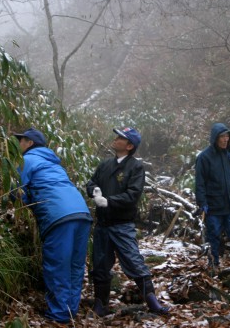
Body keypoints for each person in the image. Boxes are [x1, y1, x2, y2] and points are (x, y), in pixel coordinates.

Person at [86, 127, 169, 317]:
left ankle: (152, 301)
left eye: (120, 138)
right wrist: (95, 191)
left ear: (130, 146)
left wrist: (109, 201)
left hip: (122, 224)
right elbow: (91, 182)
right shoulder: (105, 165)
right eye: (116, 137)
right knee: (99, 264)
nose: (115, 140)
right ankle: (101, 304)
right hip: (102, 225)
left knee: (133, 260)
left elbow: (133, 195)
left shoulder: (135, 167)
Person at [13, 127, 93, 324]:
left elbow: (15, 192)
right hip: (82, 213)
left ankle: (58, 315)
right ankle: (70, 310)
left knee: (58, 265)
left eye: (21, 140)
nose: (18, 144)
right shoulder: (55, 164)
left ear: (29, 143)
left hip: (59, 216)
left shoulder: (27, 160)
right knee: (75, 265)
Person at [195, 122, 230, 271]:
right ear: (215, 138)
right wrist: (202, 203)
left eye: (227, 136)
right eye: (222, 137)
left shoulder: (229, 155)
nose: (225, 140)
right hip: (214, 205)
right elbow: (200, 183)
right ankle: (214, 264)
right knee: (214, 236)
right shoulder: (204, 157)